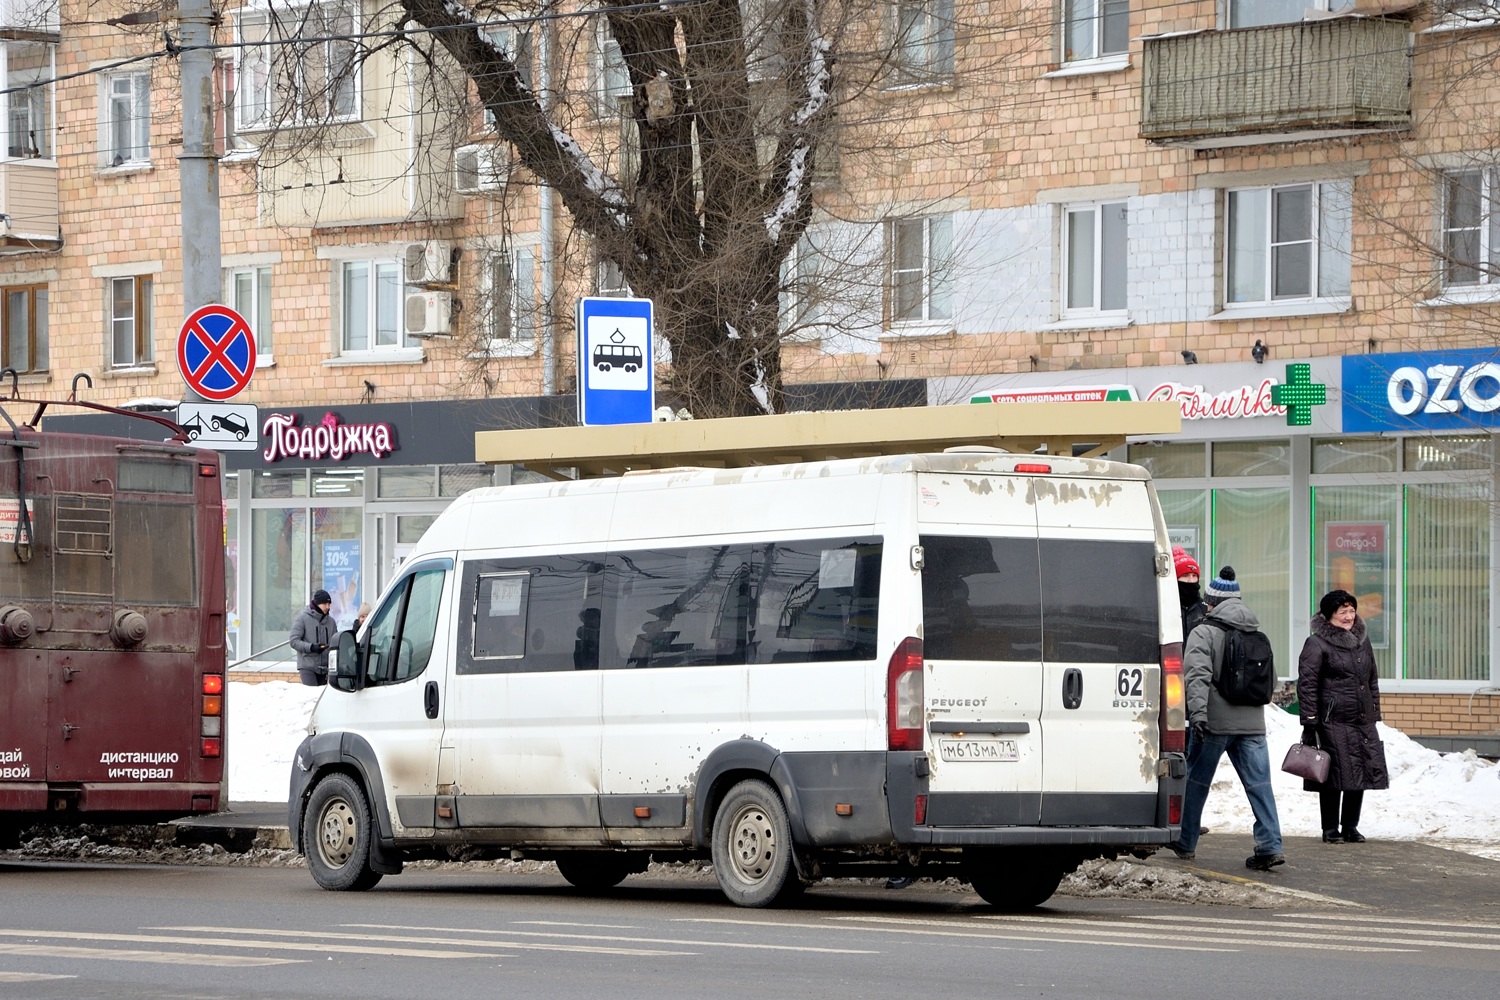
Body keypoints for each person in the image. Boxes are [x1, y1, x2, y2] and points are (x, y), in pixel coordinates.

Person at [1169, 566, 1285, 871]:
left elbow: (1196, 677)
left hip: (1215, 723)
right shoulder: (1257, 633)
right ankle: (1270, 844)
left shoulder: (1203, 632)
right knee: (1260, 785)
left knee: (1197, 780)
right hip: (1252, 724)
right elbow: (1269, 682)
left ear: (1212, 602)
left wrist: (1198, 715)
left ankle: (1186, 840)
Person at [1297, 589, 1389, 844]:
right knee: (1334, 775)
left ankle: (1351, 826)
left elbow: (1371, 678)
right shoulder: (1316, 643)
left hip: (1361, 719)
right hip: (1332, 720)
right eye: (1342, 611)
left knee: (1359, 773)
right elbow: (1307, 684)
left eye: (1352, 610)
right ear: (1329, 616)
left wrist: (1374, 712)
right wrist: (1310, 719)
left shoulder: (1362, 640)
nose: (1349, 616)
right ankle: (1329, 829)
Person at [290, 588, 337, 686]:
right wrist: (311, 647)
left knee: (321, 698)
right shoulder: (302, 619)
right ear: (317, 604)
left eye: (329, 604)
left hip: (325, 668)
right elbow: (294, 641)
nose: (328, 607)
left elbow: (335, 643)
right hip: (307, 666)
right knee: (311, 694)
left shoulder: (331, 622)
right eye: (325, 604)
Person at [1174, 546, 1207, 639]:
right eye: (1185, 575)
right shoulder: (1164, 608)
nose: (1191, 580)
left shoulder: (1205, 609)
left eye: (1194, 575)